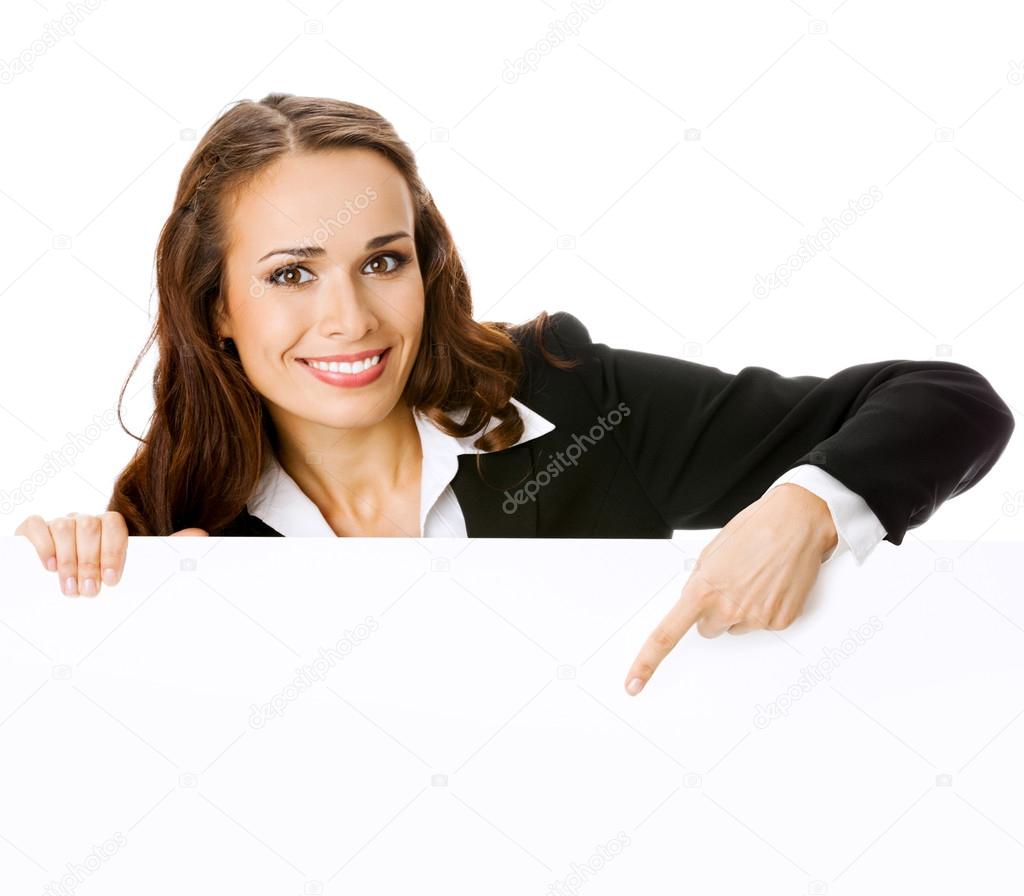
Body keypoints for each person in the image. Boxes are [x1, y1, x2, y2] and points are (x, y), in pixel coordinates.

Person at [14, 93, 1016, 696]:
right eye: (289, 274)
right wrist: (85, 594)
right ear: (216, 305)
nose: (349, 318)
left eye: (382, 260)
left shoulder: (571, 405)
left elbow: (946, 401)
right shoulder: (177, 525)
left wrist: (803, 510)